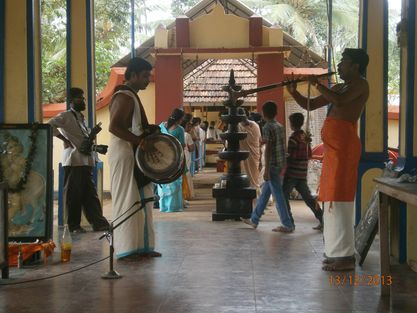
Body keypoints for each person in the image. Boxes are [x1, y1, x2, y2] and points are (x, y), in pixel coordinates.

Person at [287, 48, 369, 271]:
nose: (340, 66)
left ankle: (345, 257)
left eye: (345, 62)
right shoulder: (341, 86)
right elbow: (311, 105)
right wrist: (294, 92)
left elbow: (340, 102)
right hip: (334, 151)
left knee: (340, 200)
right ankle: (335, 252)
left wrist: (318, 84)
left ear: (356, 67)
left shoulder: (361, 84)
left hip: (344, 149)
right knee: (330, 199)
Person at [108, 57, 161, 259]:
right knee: (128, 200)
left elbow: (134, 127)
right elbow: (114, 127)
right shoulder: (124, 96)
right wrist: (140, 141)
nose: (148, 79)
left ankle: (143, 247)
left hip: (135, 154)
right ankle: (126, 249)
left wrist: (149, 130)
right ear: (134, 75)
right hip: (125, 155)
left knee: (144, 199)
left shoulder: (132, 96)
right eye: (146, 76)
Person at [48, 87, 110, 233]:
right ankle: (74, 226)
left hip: (85, 161)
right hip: (74, 161)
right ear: (71, 101)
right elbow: (49, 125)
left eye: (82, 98)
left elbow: (83, 140)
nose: (82, 100)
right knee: (74, 196)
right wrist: (63, 139)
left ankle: (98, 223)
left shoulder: (81, 118)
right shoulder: (66, 116)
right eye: (79, 98)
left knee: (90, 195)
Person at [242, 101, 295, 233]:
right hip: (280, 163)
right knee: (265, 193)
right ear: (276, 113)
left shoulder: (267, 127)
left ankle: (287, 224)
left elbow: (268, 149)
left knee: (278, 196)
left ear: (264, 113)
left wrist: (266, 170)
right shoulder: (280, 126)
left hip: (272, 165)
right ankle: (254, 219)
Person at [282, 113, 323, 230]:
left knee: (283, 197)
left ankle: (289, 223)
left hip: (292, 173)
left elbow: (292, 157)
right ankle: (322, 220)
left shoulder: (293, 138)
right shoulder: (305, 137)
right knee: (309, 199)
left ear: (292, 124)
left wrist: (285, 157)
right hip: (302, 173)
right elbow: (309, 155)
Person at [158, 108, 185, 212]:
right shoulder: (179, 129)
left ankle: (163, 206)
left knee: (163, 180)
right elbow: (182, 145)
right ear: (180, 119)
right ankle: (173, 207)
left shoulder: (161, 126)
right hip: (174, 158)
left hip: (161, 158)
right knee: (174, 180)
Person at [237, 108, 262, 193]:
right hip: (243, 156)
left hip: (254, 155)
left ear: (246, 115)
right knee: (245, 178)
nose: (242, 117)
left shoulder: (254, 125)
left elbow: (258, 141)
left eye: (243, 114)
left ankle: (257, 201)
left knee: (254, 178)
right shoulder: (238, 126)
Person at [183, 121, 195, 200]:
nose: (190, 128)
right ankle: (188, 193)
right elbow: (191, 148)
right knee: (187, 173)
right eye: (189, 126)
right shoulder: (187, 135)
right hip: (186, 155)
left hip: (178, 155)